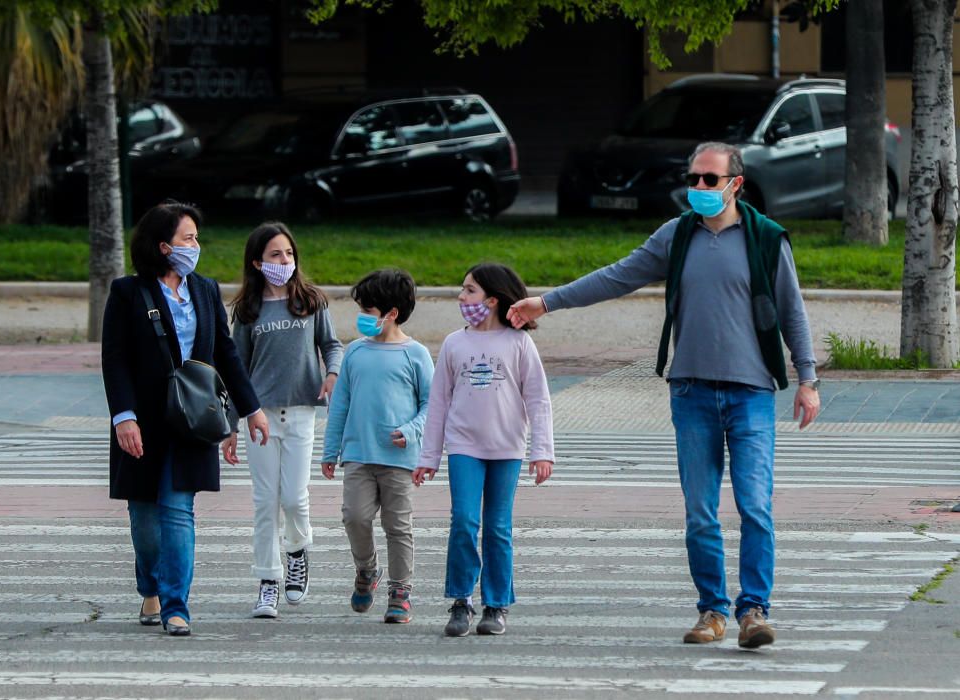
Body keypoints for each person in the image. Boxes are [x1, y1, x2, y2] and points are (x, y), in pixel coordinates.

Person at [508, 142, 820, 649]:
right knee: (700, 512)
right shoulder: (676, 236)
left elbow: (793, 312)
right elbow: (616, 277)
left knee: (755, 507)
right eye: (693, 178)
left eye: (709, 180)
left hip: (751, 395)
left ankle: (754, 610)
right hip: (692, 392)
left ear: (735, 184)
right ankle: (712, 611)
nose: (697, 188)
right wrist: (547, 302)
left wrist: (807, 380)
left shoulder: (765, 239)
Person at [101, 201, 270, 637]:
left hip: (193, 418)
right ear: (163, 246)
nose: (195, 246)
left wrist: (250, 408)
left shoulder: (205, 289)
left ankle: (177, 606)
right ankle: (150, 588)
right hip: (142, 419)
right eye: (187, 238)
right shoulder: (127, 292)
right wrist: (123, 416)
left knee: (178, 511)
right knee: (145, 521)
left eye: (195, 237)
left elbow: (226, 355)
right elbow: (114, 359)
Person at [414, 262, 555, 638]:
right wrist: (428, 457)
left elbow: (538, 400)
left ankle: (496, 604)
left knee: (497, 527)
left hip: (507, 448)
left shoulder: (519, 342)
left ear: (492, 300)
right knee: (463, 520)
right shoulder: (453, 343)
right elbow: (438, 403)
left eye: (469, 290)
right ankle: (460, 601)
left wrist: (542, 451)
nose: (462, 297)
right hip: (463, 447)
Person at [222, 221, 343, 618]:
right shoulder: (248, 310)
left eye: (289, 253)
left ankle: (297, 551)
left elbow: (331, 345)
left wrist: (332, 373)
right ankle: (268, 582)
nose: (284, 260)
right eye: (275, 254)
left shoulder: (311, 300)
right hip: (260, 417)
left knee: (294, 497)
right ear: (257, 262)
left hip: (302, 413)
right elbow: (234, 368)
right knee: (264, 502)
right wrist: (230, 426)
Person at [320, 269, 434, 624]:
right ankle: (367, 569)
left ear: (392, 313)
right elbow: (340, 405)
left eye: (368, 311)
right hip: (357, 456)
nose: (362, 318)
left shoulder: (415, 354)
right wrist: (330, 450)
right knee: (355, 517)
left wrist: (413, 430)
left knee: (398, 526)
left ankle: (400, 591)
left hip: (399, 459)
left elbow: (431, 405)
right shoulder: (354, 353)